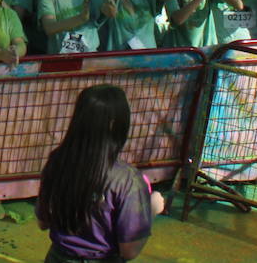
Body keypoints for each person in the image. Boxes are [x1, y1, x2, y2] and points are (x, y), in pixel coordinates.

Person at [36, 83, 163, 262]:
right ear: (114, 124)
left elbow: (43, 222)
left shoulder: (57, 161)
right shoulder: (128, 180)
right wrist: (151, 210)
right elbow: (129, 251)